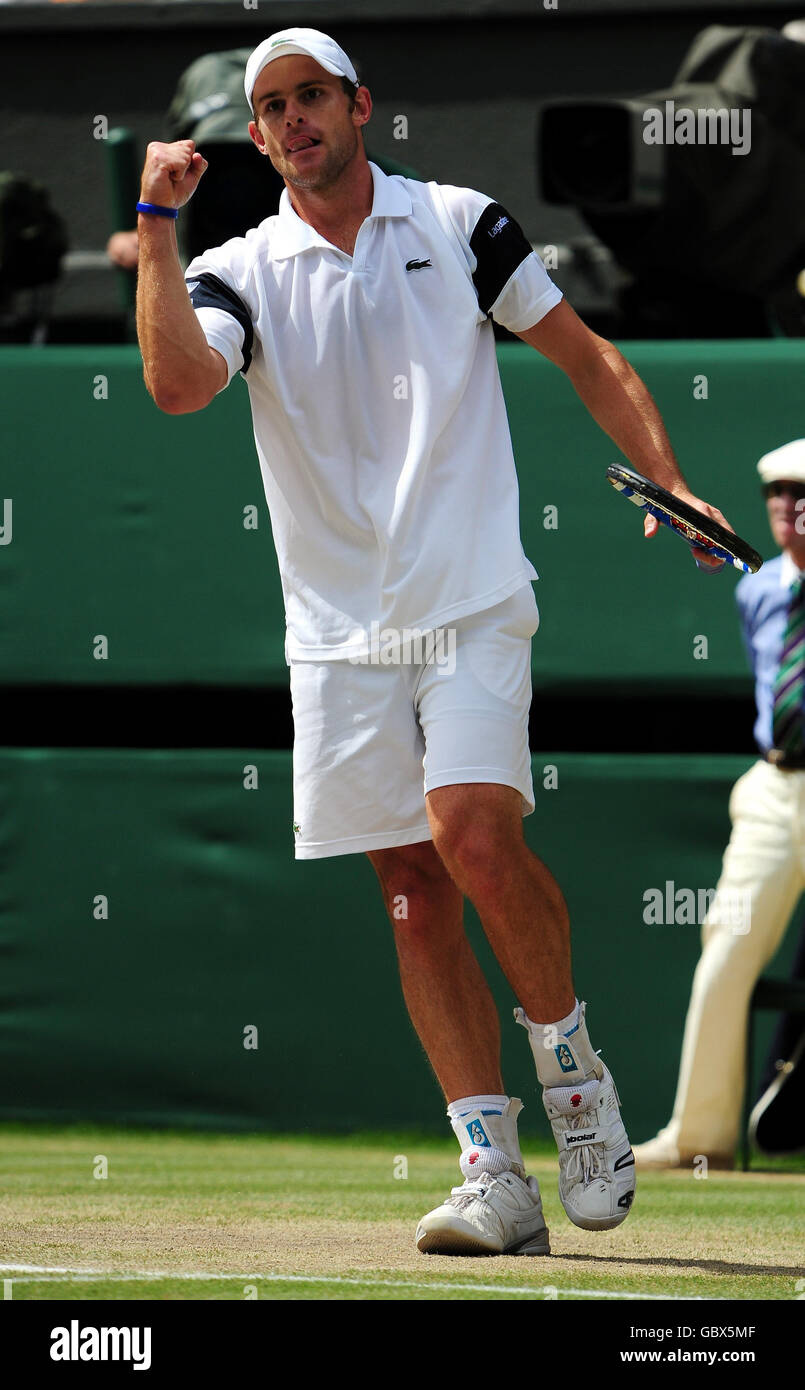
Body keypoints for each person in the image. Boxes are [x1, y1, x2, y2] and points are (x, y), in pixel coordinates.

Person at [135, 27, 730, 1254]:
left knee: (471, 835)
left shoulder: (459, 222)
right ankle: (491, 1173)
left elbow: (586, 353)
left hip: (467, 596)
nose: (295, 119)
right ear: (256, 136)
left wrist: (673, 481)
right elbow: (180, 387)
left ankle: (575, 1082)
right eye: (273, 107)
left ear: (361, 106)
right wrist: (152, 227)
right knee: (411, 892)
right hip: (337, 633)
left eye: (313, 97)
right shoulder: (238, 267)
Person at [635, 438, 805, 1170]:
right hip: (773, 790)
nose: (793, 508)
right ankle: (700, 1137)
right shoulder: (755, 590)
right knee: (725, 950)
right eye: (780, 495)